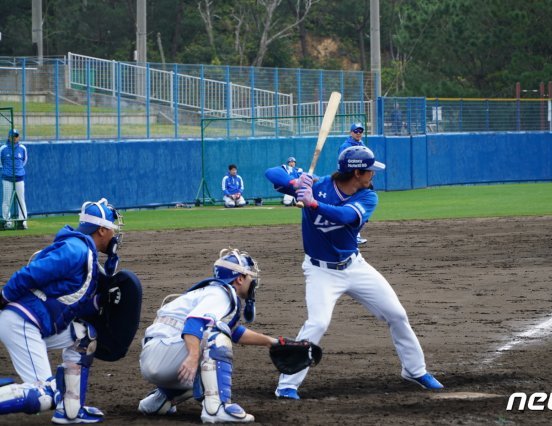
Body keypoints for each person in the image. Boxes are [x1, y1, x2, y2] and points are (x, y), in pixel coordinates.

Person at [264, 146, 443, 400]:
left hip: (355, 267)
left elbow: (345, 216)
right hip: (320, 271)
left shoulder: (368, 197)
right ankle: (287, 385)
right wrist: (295, 182)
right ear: (357, 172)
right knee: (317, 323)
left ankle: (415, 371)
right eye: (369, 170)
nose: (373, 175)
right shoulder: (318, 184)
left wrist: (313, 203)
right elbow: (271, 173)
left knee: (397, 314)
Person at [0, 198, 124, 423]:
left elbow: (73, 300)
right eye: (113, 230)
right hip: (22, 321)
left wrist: (101, 300)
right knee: (44, 393)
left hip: (36, 320)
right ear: (102, 230)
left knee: (84, 336)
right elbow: (31, 273)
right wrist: (4, 296)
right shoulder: (75, 249)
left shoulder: (86, 254)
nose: (115, 236)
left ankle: (70, 410)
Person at [138, 248, 278, 423]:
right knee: (216, 338)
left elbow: (234, 332)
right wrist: (192, 356)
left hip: (156, 356)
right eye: (251, 277)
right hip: (166, 355)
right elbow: (193, 323)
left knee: (215, 335)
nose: (253, 282)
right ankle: (215, 409)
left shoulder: (209, 292)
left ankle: (160, 400)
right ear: (240, 279)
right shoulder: (222, 294)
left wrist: (272, 342)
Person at [338, 123, 368, 245]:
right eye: (356, 131)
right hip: (349, 182)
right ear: (351, 132)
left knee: (361, 208)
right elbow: (342, 164)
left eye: (360, 131)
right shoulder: (346, 146)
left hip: (359, 181)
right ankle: (351, 236)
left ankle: (355, 235)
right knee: (351, 208)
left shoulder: (362, 145)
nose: (359, 133)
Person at [1, 129, 28, 230]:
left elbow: (24, 161)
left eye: (16, 136)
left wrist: (18, 171)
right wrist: (7, 171)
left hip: (19, 178)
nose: (15, 138)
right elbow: (1, 163)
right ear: (9, 137)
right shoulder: (3, 148)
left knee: (21, 200)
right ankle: (7, 222)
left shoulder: (22, 148)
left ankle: (22, 222)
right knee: (6, 200)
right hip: (7, 178)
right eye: (13, 136)